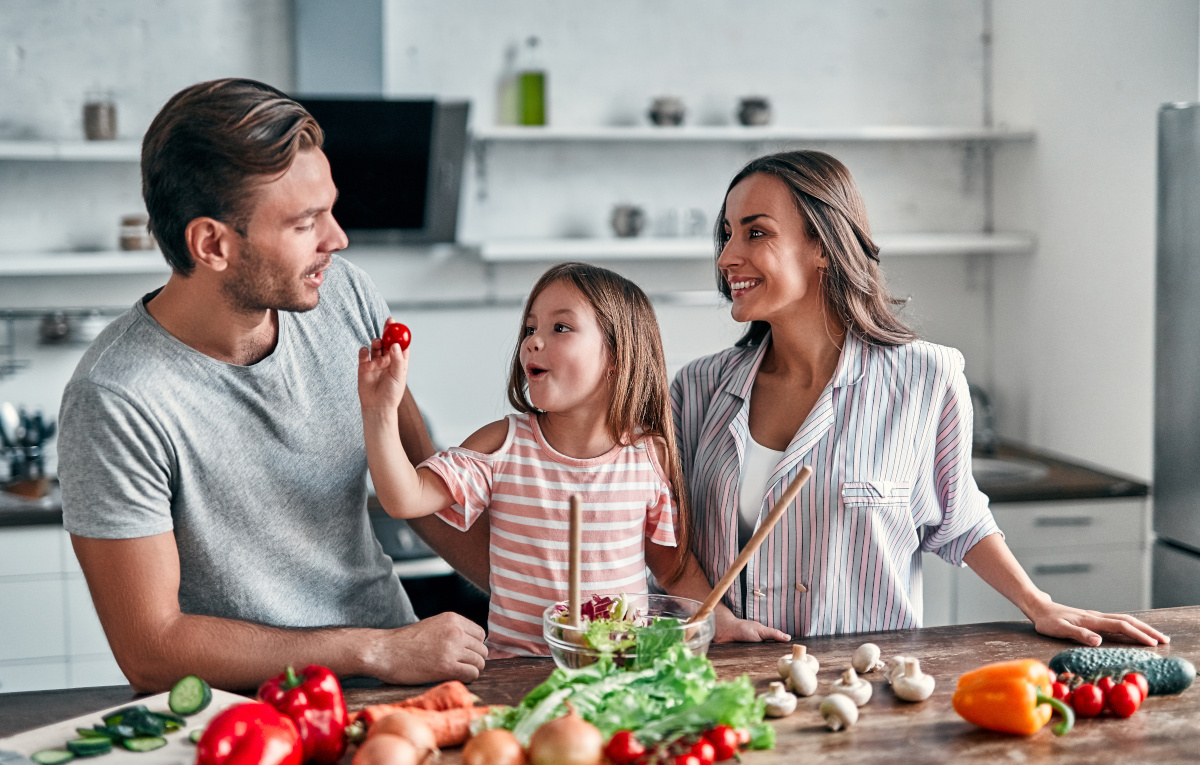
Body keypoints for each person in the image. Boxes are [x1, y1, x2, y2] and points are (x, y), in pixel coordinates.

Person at [56, 78, 490, 693]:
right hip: (254, 718)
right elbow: (150, 649)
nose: (336, 240)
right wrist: (373, 649)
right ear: (212, 244)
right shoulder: (117, 398)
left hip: (401, 682)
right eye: (305, 223)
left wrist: (548, 599)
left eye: (330, 210)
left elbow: (424, 483)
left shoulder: (346, 297)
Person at [671, 150, 1169, 646]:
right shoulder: (697, 390)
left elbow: (962, 517)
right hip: (727, 685)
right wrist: (713, 622)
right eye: (727, 234)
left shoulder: (926, 377)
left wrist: (1039, 604)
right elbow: (664, 538)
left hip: (862, 685)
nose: (726, 257)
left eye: (755, 232)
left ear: (822, 245)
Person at [358, 262, 783, 657]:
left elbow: (672, 570)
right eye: (530, 328)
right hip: (519, 676)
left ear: (617, 357)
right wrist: (379, 410)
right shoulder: (503, 444)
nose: (533, 341)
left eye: (560, 327)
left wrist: (719, 620)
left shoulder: (649, 456)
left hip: (618, 670)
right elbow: (404, 499)